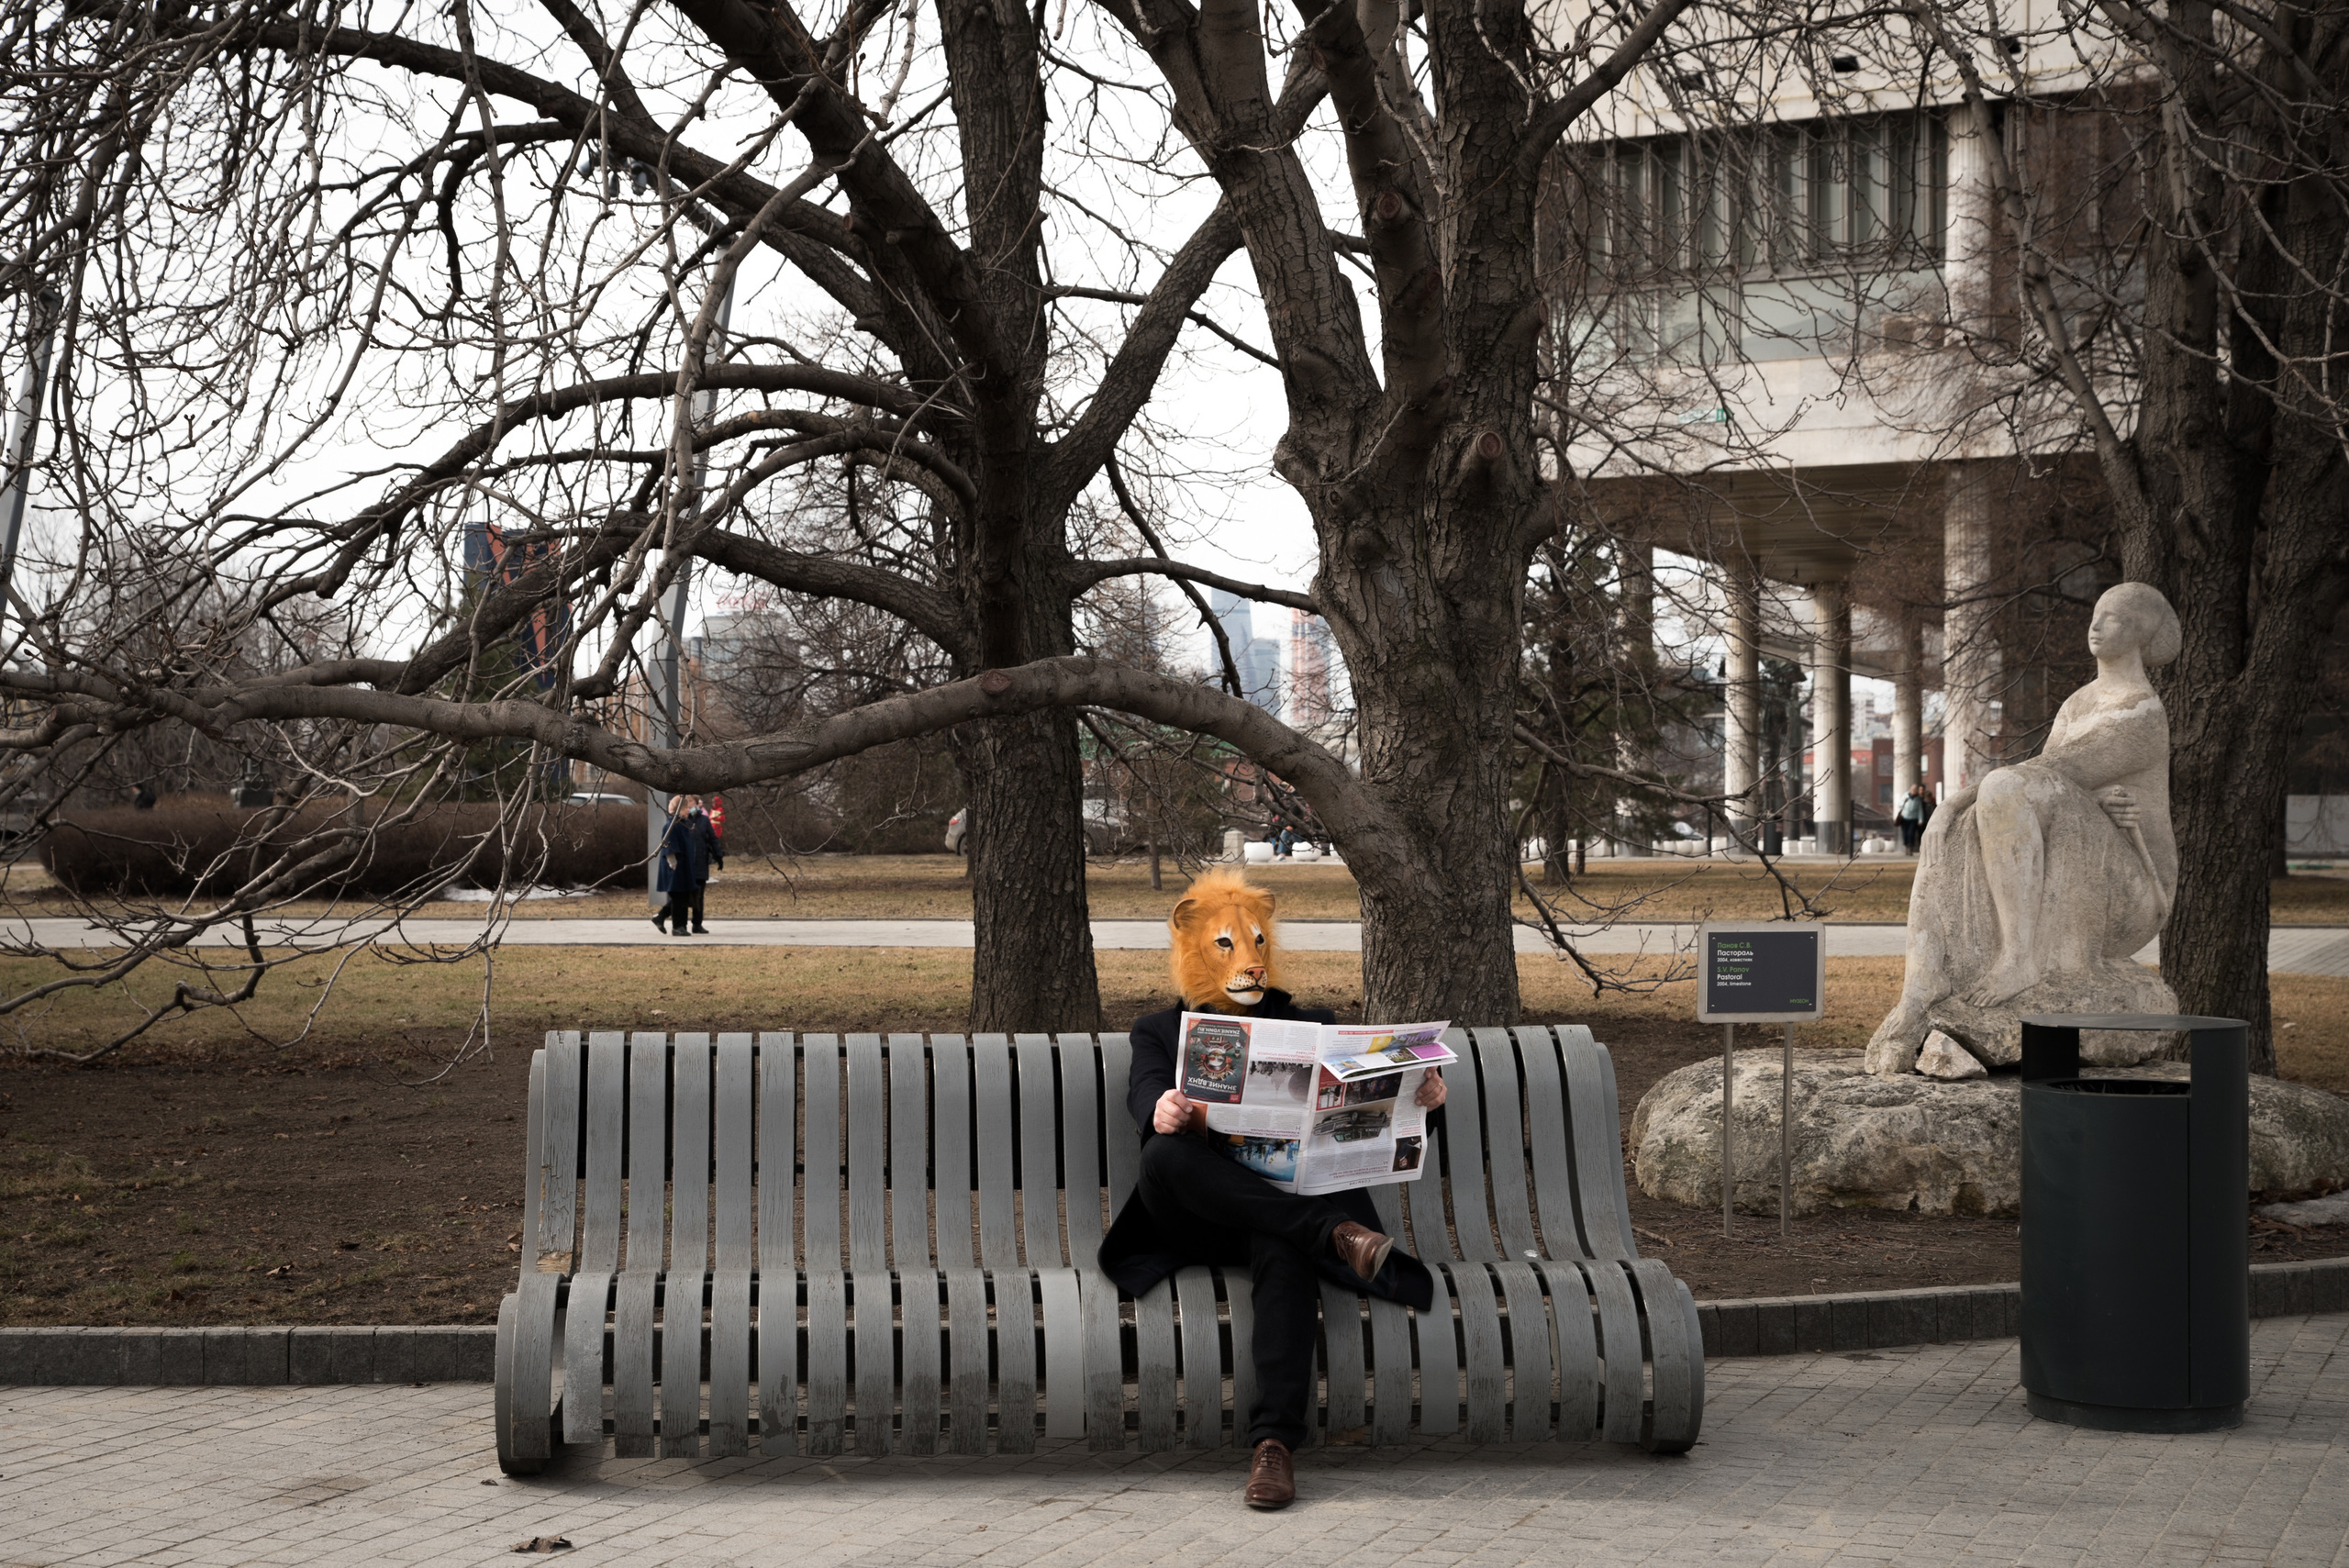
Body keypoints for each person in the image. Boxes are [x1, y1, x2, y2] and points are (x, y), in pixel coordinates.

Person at [1096, 868, 1447, 1510]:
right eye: (1229, 945)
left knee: (1281, 1243)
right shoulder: (1159, 1029)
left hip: (1278, 1214)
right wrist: (1162, 1107)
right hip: (1198, 1216)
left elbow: (1368, 1118)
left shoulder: (1312, 1025)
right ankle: (1332, 1234)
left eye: (1256, 943)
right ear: (1193, 944)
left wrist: (1422, 1097)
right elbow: (1142, 1086)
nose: (1249, 961)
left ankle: (1274, 1447)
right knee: (1164, 1156)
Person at [652, 795, 723, 936]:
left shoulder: (683, 824)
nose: (688, 810)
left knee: (683, 897)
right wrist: (673, 863)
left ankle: (678, 925)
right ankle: (677, 927)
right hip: (676, 869)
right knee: (679, 899)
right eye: (686, 808)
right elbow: (669, 847)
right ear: (678, 809)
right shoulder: (671, 825)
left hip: (685, 868)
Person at [1897, 784, 1929, 852]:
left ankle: (1910, 847)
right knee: (1905, 833)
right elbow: (1899, 804)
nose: (1914, 792)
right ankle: (1906, 846)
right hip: (1904, 818)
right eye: (1913, 790)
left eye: (1915, 791)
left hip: (1914, 819)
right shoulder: (1905, 796)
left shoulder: (1918, 799)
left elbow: (1920, 810)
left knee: (1911, 833)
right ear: (1911, 790)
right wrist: (1904, 802)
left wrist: (1920, 820)